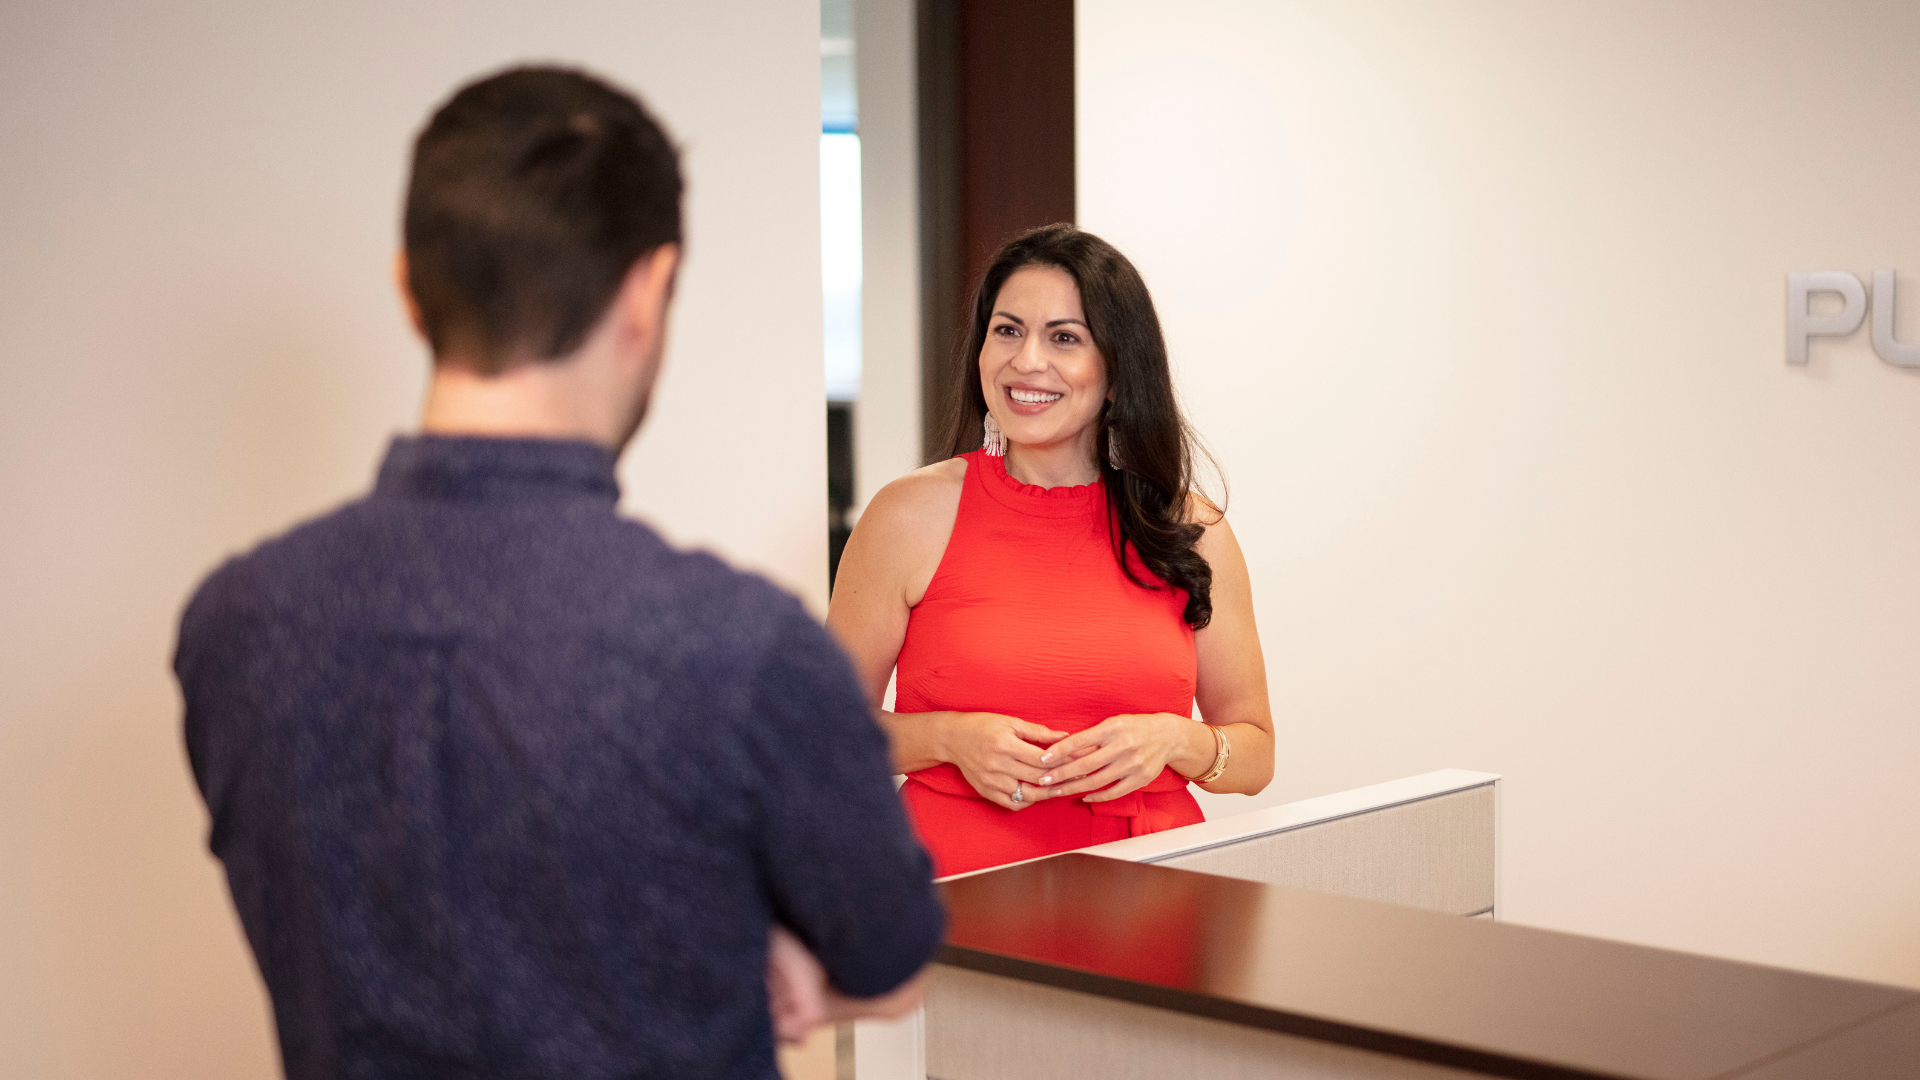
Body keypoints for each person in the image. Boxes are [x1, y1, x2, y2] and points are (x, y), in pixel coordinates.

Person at [175, 66, 941, 1080]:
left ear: (410, 288)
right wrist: (762, 945)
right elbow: (889, 964)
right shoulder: (743, 648)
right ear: (647, 290)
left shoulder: (236, 623)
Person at [827, 224, 1275, 878]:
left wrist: (1178, 741)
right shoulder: (907, 516)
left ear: (1118, 370)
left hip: (1153, 898)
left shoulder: (1191, 529)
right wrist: (948, 739)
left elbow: (1256, 756)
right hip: (952, 896)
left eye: (1064, 337)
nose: (1026, 360)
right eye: (1007, 330)